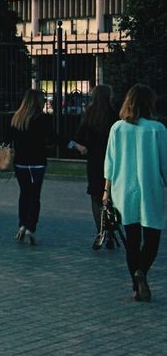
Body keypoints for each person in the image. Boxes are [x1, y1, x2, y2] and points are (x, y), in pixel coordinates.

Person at [103, 83, 167, 302]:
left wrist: (106, 191)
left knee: (131, 238)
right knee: (152, 235)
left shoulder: (117, 128)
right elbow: (164, 163)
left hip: (124, 189)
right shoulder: (157, 129)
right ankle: (142, 271)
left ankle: (135, 285)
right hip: (150, 189)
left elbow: (109, 163)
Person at [8, 88, 55, 244]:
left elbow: (7, 139)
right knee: (35, 196)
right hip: (38, 162)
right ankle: (31, 227)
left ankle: (22, 224)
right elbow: (54, 138)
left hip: (20, 163)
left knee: (24, 193)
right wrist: (73, 144)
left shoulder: (16, 118)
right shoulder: (44, 119)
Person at [72, 84, 117, 245]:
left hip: (94, 160)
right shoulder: (114, 114)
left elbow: (78, 137)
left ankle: (100, 231)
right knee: (110, 196)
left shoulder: (89, 114)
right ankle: (111, 231)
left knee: (95, 197)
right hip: (112, 159)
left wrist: (79, 147)